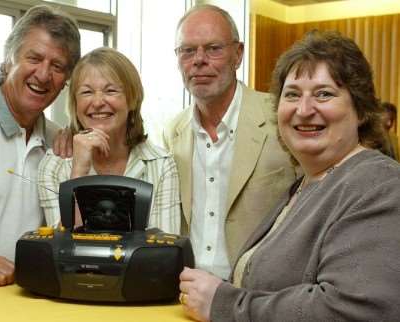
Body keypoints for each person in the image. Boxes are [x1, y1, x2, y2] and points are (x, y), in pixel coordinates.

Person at [178, 30, 400, 322]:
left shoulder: (379, 185)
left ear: (360, 110)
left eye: (324, 94)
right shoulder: (306, 184)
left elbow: (356, 310)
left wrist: (223, 303)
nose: (304, 109)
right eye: (292, 94)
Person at [0, 5, 80, 290]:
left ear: (66, 81)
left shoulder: (60, 143)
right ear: (8, 59)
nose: (44, 75)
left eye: (57, 66)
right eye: (34, 58)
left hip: (27, 305)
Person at [162, 4, 296, 280]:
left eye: (213, 48)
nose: (199, 60)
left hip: (259, 295)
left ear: (238, 54)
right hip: (187, 292)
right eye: (187, 50)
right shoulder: (171, 132)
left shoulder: (281, 118)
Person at [38, 47, 181, 234]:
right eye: (87, 92)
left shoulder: (162, 165)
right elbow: (62, 248)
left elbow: (164, 252)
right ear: (75, 104)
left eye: (111, 91)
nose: (97, 102)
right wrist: (78, 172)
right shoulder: (54, 165)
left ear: (132, 99)